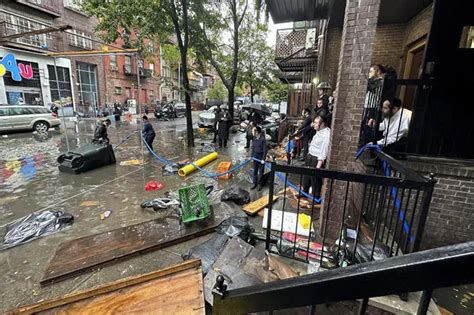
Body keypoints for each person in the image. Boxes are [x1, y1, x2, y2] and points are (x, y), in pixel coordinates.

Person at [302, 115, 331, 201]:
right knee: (306, 177)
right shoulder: (318, 131)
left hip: (316, 159)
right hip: (310, 156)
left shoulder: (326, 134)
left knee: (315, 179)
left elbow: (324, 150)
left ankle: (316, 197)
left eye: (315, 122)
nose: (313, 124)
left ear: (322, 124)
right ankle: (304, 193)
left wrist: (319, 164)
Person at [250, 125, 267, 191]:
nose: (252, 132)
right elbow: (253, 148)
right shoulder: (254, 139)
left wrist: (263, 159)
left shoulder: (263, 140)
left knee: (261, 171)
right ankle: (255, 183)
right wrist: (252, 157)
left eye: (253, 131)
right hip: (255, 156)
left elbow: (265, 150)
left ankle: (260, 184)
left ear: (257, 132)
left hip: (261, 156)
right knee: (255, 171)